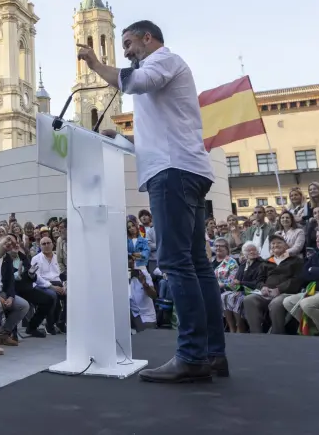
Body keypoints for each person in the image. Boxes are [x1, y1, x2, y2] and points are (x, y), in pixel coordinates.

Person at [79, 19, 223, 383]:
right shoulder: (163, 69)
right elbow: (154, 140)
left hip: (173, 174)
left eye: (128, 43)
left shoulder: (162, 61)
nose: (126, 51)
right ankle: (212, 354)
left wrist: (96, 65)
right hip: (182, 168)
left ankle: (192, 355)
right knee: (195, 264)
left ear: (148, 38)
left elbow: (136, 81)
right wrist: (124, 141)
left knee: (176, 263)